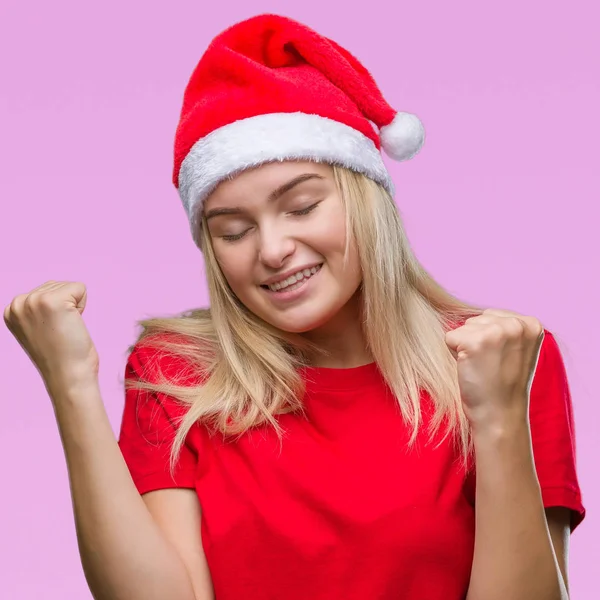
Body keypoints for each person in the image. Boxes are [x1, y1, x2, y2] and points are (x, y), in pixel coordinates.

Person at [4, 13, 585, 600]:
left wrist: (499, 416)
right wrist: (71, 384)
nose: (273, 251)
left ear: (366, 199)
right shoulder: (174, 375)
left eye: (302, 206)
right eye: (233, 231)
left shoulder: (503, 357)